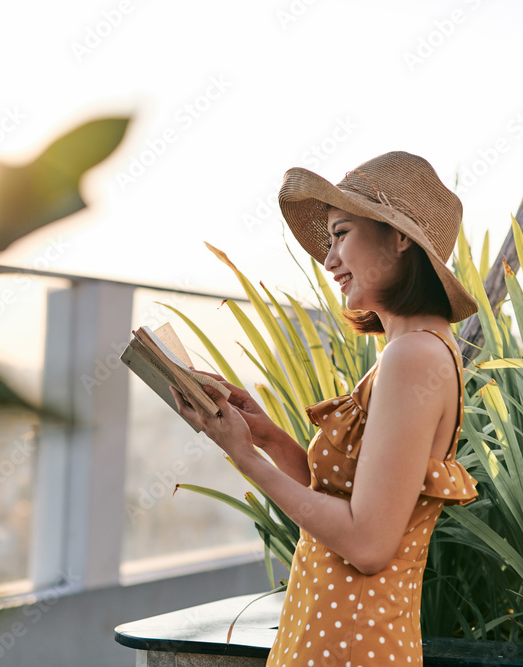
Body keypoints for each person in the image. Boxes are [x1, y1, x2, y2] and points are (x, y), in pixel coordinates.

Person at [169, 151, 480, 666]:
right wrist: (266, 437)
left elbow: (368, 543)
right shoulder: (413, 349)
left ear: (399, 237)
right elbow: (343, 499)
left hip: (349, 646)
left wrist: (244, 459)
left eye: (340, 234)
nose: (329, 260)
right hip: (336, 636)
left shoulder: (413, 357)